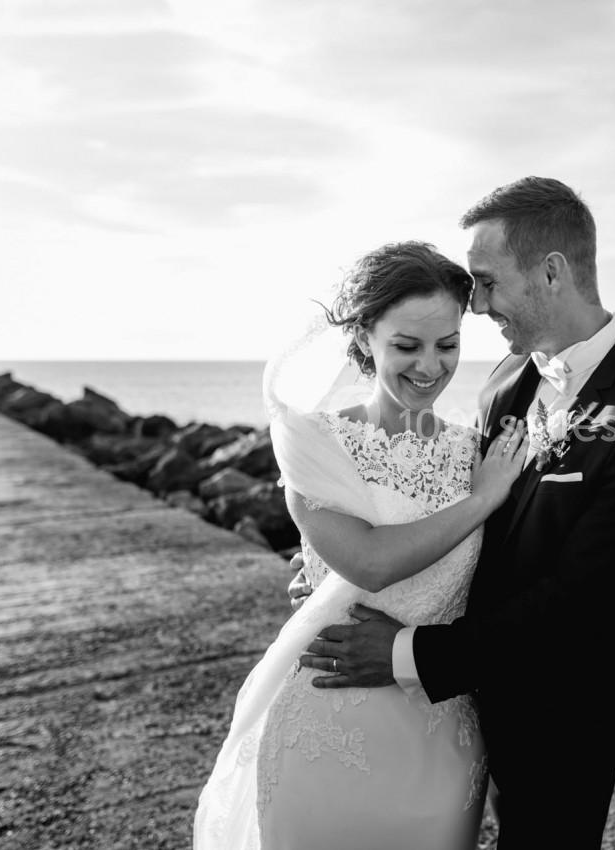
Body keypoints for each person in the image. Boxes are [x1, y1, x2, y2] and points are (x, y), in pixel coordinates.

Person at [297, 177, 615, 848]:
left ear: (551, 272)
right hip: (456, 708)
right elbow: (460, 511)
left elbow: (577, 604)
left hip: (558, 722)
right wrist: (329, 563)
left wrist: (406, 653)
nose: (476, 305)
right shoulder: (506, 381)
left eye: (486, 282)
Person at [193, 241, 530, 850]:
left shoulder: (474, 452)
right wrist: (480, 502)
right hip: (329, 726)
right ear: (364, 338)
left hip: (441, 737)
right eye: (407, 345)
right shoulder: (316, 444)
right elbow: (370, 563)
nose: (430, 366)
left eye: (447, 344)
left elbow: (524, 559)